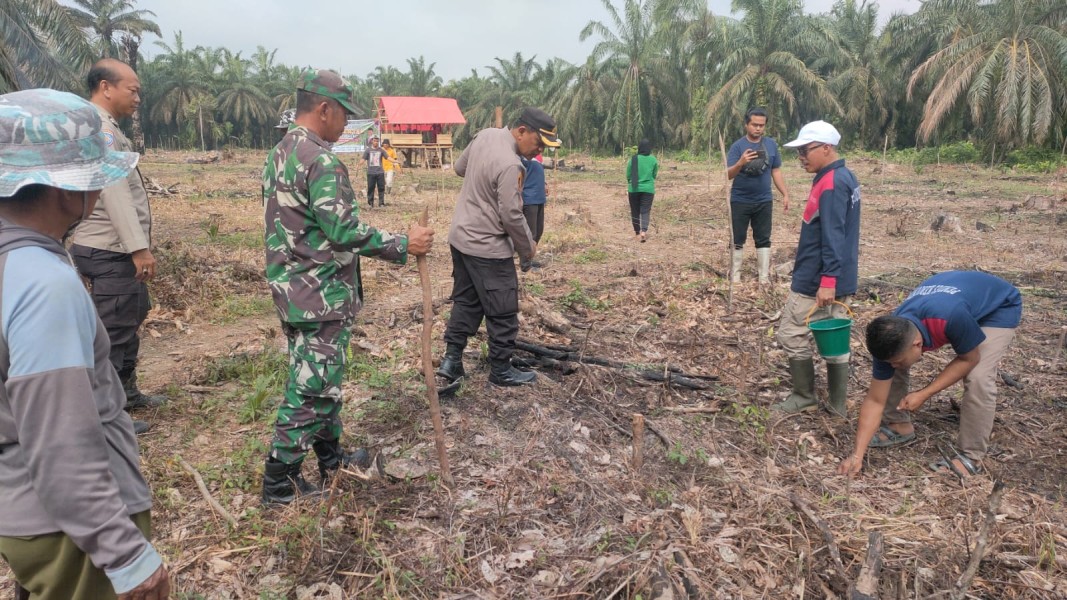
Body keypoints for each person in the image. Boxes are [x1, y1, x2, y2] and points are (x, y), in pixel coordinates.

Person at [0, 88, 169, 599]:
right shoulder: (43, 285)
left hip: (24, 509)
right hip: (68, 532)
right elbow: (60, 442)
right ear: (64, 191)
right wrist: (124, 554)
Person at [261, 68, 434, 505]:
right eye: (344, 116)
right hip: (319, 294)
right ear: (324, 109)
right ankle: (279, 482)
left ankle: (331, 458)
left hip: (292, 288)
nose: (347, 125)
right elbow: (342, 230)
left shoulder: (283, 151)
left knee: (322, 381)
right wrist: (403, 244)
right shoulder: (321, 160)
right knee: (311, 388)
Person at [837, 272, 1021, 479]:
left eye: (897, 360)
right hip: (959, 300)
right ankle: (899, 425)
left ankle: (971, 456)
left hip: (997, 307)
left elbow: (969, 358)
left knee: (978, 376)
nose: (893, 365)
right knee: (895, 366)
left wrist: (924, 393)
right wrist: (856, 454)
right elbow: (875, 399)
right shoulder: (891, 335)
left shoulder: (949, 317)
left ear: (918, 344)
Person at [68, 58, 164, 435]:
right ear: (106, 87)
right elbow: (114, 193)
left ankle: (126, 391)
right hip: (110, 248)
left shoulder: (105, 127)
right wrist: (138, 248)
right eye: (132, 89)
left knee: (133, 312)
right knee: (114, 329)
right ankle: (103, 413)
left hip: (110, 246)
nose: (137, 96)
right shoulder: (100, 131)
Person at [435, 107, 560, 388]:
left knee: (467, 301)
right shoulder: (511, 164)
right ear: (522, 131)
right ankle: (501, 369)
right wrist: (528, 247)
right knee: (502, 306)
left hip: (461, 238)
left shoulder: (485, 136)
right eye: (538, 143)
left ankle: (451, 360)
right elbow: (512, 215)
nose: (538, 150)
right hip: (487, 246)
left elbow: (459, 168)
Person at [774, 121, 861, 418]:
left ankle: (803, 395)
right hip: (836, 274)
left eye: (804, 150)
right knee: (833, 336)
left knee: (790, 333)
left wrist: (827, 279)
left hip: (818, 277)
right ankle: (836, 404)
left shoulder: (832, 182)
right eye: (798, 151)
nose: (800, 157)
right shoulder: (841, 176)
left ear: (826, 148)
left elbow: (833, 235)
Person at [726, 107, 790, 283]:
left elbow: (775, 171)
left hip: (764, 200)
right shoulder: (737, 146)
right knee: (737, 237)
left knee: (763, 238)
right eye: (754, 125)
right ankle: (736, 276)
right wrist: (741, 162)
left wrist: (784, 193)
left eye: (761, 125)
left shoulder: (771, 145)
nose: (758, 128)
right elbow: (728, 175)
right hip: (740, 200)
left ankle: (763, 278)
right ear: (747, 124)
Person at [626, 139, 658, 243]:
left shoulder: (634, 159)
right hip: (648, 189)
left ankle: (637, 232)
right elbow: (654, 174)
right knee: (645, 210)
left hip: (634, 188)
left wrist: (631, 182)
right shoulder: (653, 160)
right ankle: (644, 232)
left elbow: (628, 174)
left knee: (635, 211)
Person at [519, 153, 546, 272]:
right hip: (529, 198)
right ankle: (525, 264)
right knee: (530, 234)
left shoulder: (538, 156)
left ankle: (529, 257)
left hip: (540, 197)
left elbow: (538, 172)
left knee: (539, 230)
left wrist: (545, 184)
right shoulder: (520, 155)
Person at [362, 136, 388, 207]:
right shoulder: (368, 150)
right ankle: (370, 203)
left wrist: (395, 161)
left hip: (380, 172)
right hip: (371, 172)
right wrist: (358, 165)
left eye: (377, 141)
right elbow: (363, 159)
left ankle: (381, 203)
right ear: (372, 141)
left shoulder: (381, 150)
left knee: (381, 188)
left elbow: (388, 157)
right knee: (370, 188)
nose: (376, 142)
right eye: (374, 141)